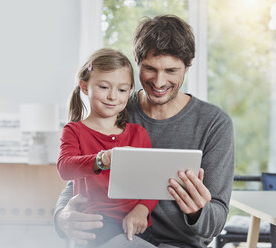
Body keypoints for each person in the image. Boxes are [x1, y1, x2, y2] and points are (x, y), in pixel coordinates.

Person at [54, 15, 234, 248]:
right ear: (137, 61)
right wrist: (61, 218)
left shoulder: (214, 124)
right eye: (150, 69)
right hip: (112, 236)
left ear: (188, 65)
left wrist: (197, 211)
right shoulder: (116, 107)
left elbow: (216, 219)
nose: (159, 82)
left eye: (171, 70)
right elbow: (78, 179)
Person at [56, 48, 158, 247]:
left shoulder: (138, 134)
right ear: (85, 87)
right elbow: (65, 168)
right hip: (97, 223)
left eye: (122, 90)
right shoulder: (74, 130)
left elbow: (151, 182)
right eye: (104, 87)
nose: (113, 96)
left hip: (136, 223)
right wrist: (101, 159)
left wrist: (143, 208)